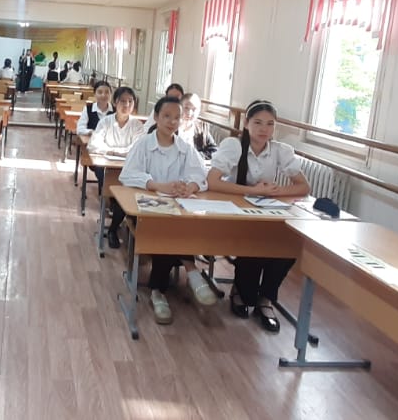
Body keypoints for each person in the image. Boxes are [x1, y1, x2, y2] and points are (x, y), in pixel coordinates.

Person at [205, 100, 310, 332]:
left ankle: (266, 299)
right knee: (255, 242)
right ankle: (242, 293)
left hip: (264, 210)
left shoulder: (280, 150)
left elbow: (303, 187)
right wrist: (253, 191)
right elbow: (212, 181)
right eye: (258, 123)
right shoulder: (234, 146)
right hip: (233, 211)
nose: (264, 129)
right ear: (246, 124)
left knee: (287, 246)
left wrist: (275, 191)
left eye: (270, 124)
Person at [119, 95, 216, 325]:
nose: (172, 122)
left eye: (177, 117)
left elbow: (200, 176)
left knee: (177, 225)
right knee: (165, 227)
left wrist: (190, 187)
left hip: (179, 209)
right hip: (146, 210)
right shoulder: (144, 144)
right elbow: (127, 175)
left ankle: (157, 290)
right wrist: (157, 185)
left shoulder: (185, 148)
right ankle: (190, 271)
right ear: (156, 117)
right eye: (166, 116)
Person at [88, 86, 147, 249]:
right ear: (115, 102)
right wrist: (116, 152)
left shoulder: (137, 125)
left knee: (126, 193)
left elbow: (138, 148)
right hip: (107, 167)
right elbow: (94, 145)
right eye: (122, 101)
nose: (126, 105)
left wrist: (113, 150)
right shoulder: (106, 122)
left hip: (130, 170)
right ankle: (112, 208)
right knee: (111, 185)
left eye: (130, 101)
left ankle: (114, 228)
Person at [178, 93, 218, 159]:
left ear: (198, 111)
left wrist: (196, 156)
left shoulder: (201, 128)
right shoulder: (170, 127)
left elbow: (214, 150)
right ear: (179, 107)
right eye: (186, 108)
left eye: (194, 109)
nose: (189, 113)